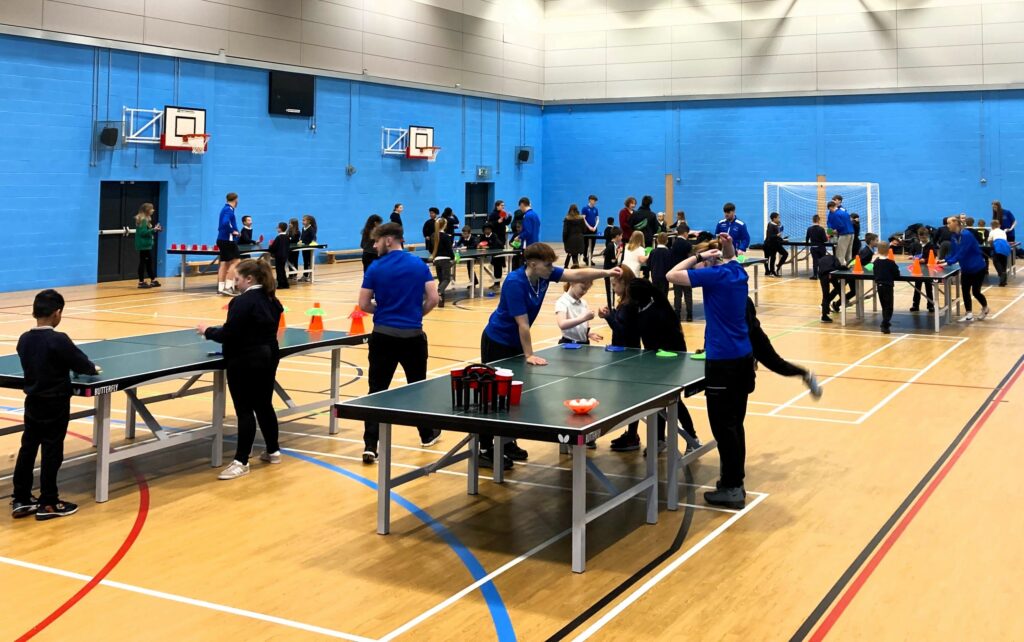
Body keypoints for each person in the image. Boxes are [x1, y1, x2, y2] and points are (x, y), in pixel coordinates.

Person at [478, 243, 621, 469]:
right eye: (547, 264)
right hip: (498, 342)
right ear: (532, 264)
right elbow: (522, 324)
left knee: (515, 394)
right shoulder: (515, 283)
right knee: (494, 395)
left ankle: (507, 442)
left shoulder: (543, 275)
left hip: (515, 342)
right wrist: (530, 354)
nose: (551, 268)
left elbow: (576, 273)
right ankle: (485, 449)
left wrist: (606, 271)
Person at [666, 233, 754, 509]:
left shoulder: (713, 276)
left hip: (723, 362)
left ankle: (731, 488)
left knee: (723, 427)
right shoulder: (737, 272)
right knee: (735, 424)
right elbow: (732, 256)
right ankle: (734, 480)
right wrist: (724, 246)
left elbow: (672, 274)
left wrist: (701, 257)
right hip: (744, 360)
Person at [11, 289, 99, 520]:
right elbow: (81, 364)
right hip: (56, 402)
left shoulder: (24, 339)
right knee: (52, 450)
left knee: (28, 447)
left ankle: (20, 498)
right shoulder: (58, 339)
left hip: (33, 402)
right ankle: (48, 502)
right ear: (57, 313)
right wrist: (92, 369)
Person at [358, 223, 442, 462]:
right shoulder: (418, 264)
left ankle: (370, 445)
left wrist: (383, 311)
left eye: (376, 241)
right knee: (417, 388)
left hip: (383, 335)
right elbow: (433, 298)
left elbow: (364, 304)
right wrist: (415, 314)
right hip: (412, 336)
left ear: (388, 240)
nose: (373, 246)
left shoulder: (375, 267)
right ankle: (426, 434)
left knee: (376, 391)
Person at [197, 259, 284, 480]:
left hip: (245, 360)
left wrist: (207, 331)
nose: (234, 283)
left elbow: (230, 334)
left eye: (236, 279)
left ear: (249, 279)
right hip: (269, 356)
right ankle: (273, 450)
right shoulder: (272, 299)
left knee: (244, 410)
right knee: (264, 404)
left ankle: (241, 461)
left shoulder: (242, 302)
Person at [604, 277, 700, 455]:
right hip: (656, 360)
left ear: (637, 297)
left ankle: (692, 438)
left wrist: (610, 317)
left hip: (671, 361)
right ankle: (659, 440)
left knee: (674, 401)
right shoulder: (641, 309)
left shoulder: (653, 314)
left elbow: (630, 332)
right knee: (656, 402)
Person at [745, 297, 821, 398]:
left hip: (755, 339)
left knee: (777, 364)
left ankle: (806, 375)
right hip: (743, 344)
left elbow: (750, 325)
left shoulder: (744, 300)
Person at [941, 216, 989, 322]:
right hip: (966, 268)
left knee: (976, 292)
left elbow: (962, 252)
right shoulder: (953, 236)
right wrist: (944, 259)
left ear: (956, 223)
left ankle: (985, 307)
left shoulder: (966, 235)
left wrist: (949, 262)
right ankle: (969, 314)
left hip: (977, 267)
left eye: (949, 223)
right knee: (965, 291)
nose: (947, 225)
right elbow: (954, 252)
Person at [555, 280, 602, 345]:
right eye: (582, 288)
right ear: (572, 282)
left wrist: (588, 333)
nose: (584, 292)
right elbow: (562, 324)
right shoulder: (562, 301)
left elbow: (581, 326)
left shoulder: (584, 303)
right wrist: (583, 318)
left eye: (587, 290)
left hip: (584, 344)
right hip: (569, 345)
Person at [216, 192, 242, 296]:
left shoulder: (224, 208)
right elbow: (225, 223)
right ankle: (228, 287)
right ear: (236, 199)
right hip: (228, 240)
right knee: (236, 262)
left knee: (224, 263)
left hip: (221, 239)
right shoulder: (228, 210)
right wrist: (233, 231)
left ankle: (221, 288)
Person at [872, 241, 900, 334]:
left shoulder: (876, 262)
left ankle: (886, 323)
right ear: (888, 250)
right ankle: (884, 324)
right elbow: (897, 274)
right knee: (889, 307)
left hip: (879, 286)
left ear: (878, 250)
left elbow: (872, 270)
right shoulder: (891, 263)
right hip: (888, 286)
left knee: (884, 306)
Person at [134, 203, 162, 289]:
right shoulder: (142, 220)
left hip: (146, 245)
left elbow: (146, 231)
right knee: (143, 263)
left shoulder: (146, 219)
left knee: (149, 262)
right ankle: (141, 282)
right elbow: (143, 233)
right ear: (147, 210)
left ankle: (153, 280)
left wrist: (154, 229)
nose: (153, 210)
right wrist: (154, 229)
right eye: (151, 209)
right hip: (143, 245)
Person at [909, 227, 935, 311]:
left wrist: (925, 260)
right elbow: (913, 253)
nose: (922, 239)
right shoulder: (916, 244)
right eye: (921, 237)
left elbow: (934, 256)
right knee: (917, 287)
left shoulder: (931, 245)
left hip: (928, 269)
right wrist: (912, 257)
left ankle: (930, 305)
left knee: (928, 287)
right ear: (918, 236)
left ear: (927, 236)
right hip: (918, 269)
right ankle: (915, 305)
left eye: (924, 237)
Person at [669, 230, 694, 321]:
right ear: (685, 233)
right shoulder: (688, 244)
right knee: (688, 294)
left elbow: (671, 258)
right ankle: (689, 315)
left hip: (676, 272)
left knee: (677, 294)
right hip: (686, 273)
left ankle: (677, 314)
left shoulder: (673, 244)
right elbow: (691, 259)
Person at [430, 218, 455, 307]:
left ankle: (441, 303)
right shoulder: (445, 236)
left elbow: (430, 249)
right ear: (444, 225)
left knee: (441, 281)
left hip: (436, 260)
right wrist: (453, 257)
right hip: (445, 260)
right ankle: (439, 291)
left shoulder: (433, 235)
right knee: (446, 279)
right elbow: (449, 249)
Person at [827, 200, 855, 265]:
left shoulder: (836, 214)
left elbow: (840, 226)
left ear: (831, 207)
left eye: (829, 209)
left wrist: (834, 231)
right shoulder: (844, 212)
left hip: (844, 234)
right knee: (848, 253)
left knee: (840, 254)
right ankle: (850, 267)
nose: (830, 211)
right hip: (852, 233)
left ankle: (840, 270)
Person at [479, 222, 505, 290]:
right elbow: (479, 243)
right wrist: (479, 246)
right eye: (485, 229)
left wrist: (487, 247)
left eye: (488, 229)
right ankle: (495, 283)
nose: (487, 231)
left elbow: (495, 246)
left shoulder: (494, 236)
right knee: (494, 268)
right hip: (491, 254)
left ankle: (497, 284)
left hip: (499, 253)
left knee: (497, 268)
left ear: (491, 230)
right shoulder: (483, 236)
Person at [602, 227, 622, 310]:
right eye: (621, 236)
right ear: (617, 236)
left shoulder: (611, 245)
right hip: (609, 272)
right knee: (610, 290)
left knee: (611, 290)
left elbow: (604, 254)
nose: (621, 238)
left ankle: (611, 306)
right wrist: (619, 252)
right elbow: (613, 260)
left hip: (610, 271)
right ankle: (611, 308)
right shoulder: (611, 246)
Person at [647, 232, 673, 297]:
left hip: (654, 276)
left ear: (657, 240)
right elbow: (670, 265)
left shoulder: (653, 252)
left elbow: (649, 264)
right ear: (667, 241)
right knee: (664, 294)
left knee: (655, 294)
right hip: (664, 277)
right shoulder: (668, 252)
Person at [763, 212, 788, 277]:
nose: (779, 219)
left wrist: (782, 239)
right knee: (768, 258)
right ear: (774, 218)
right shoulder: (771, 225)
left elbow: (775, 236)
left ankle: (773, 269)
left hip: (773, 244)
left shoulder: (774, 225)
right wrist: (777, 235)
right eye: (778, 217)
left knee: (772, 258)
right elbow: (770, 236)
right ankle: (768, 271)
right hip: (768, 244)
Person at [562, 204, 586, 268]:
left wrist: (564, 240)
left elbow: (565, 231)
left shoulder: (567, 219)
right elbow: (584, 229)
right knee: (573, 254)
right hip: (580, 239)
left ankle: (571, 267)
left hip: (570, 239)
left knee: (572, 253)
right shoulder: (581, 218)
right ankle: (566, 266)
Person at [806, 213, 829, 280]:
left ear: (812, 220)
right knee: (822, 261)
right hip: (821, 248)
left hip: (813, 248)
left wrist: (808, 243)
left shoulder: (809, 229)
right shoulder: (821, 229)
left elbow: (807, 238)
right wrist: (828, 237)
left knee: (815, 262)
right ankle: (822, 275)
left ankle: (815, 275)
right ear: (819, 220)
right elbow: (825, 240)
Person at [269, 221, 290, 289]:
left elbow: (274, 247)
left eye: (277, 228)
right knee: (282, 270)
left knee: (279, 270)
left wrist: (270, 246)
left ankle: (281, 284)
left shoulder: (278, 237)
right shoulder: (287, 237)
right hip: (285, 256)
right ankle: (286, 284)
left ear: (280, 229)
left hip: (279, 256)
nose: (277, 229)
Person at [990, 219, 1011, 287]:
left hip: (998, 246)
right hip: (1006, 246)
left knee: (996, 261)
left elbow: (989, 240)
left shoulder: (992, 231)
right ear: (999, 225)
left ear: (992, 226)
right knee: (1003, 262)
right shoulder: (1003, 231)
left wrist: (991, 244)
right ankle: (1004, 281)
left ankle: (1001, 273)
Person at [299, 214, 318, 282]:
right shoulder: (303, 228)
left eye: (304, 220)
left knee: (310, 262)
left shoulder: (311, 229)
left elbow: (314, 237)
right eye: (302, 220)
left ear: (309, 221)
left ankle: (310, 275)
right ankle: (305, 275)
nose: (302, 221)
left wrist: (313, 242)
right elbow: (302, 237)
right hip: (304, 248)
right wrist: (300, 240)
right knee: (305, 262)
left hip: (309, 248)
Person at [582, 195, 599, 265]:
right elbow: (583, 219)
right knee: (585, 244)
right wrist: (589, 227)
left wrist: (595, 227)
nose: (594, 202)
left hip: (594, 229)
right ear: (589, 200)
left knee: (593, 244)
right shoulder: (585, 208)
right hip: (586, 229)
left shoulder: (595, 209)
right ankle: (585, 257)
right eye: (593, 200)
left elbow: (597, 219)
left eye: (595, 201)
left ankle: (590, 258)